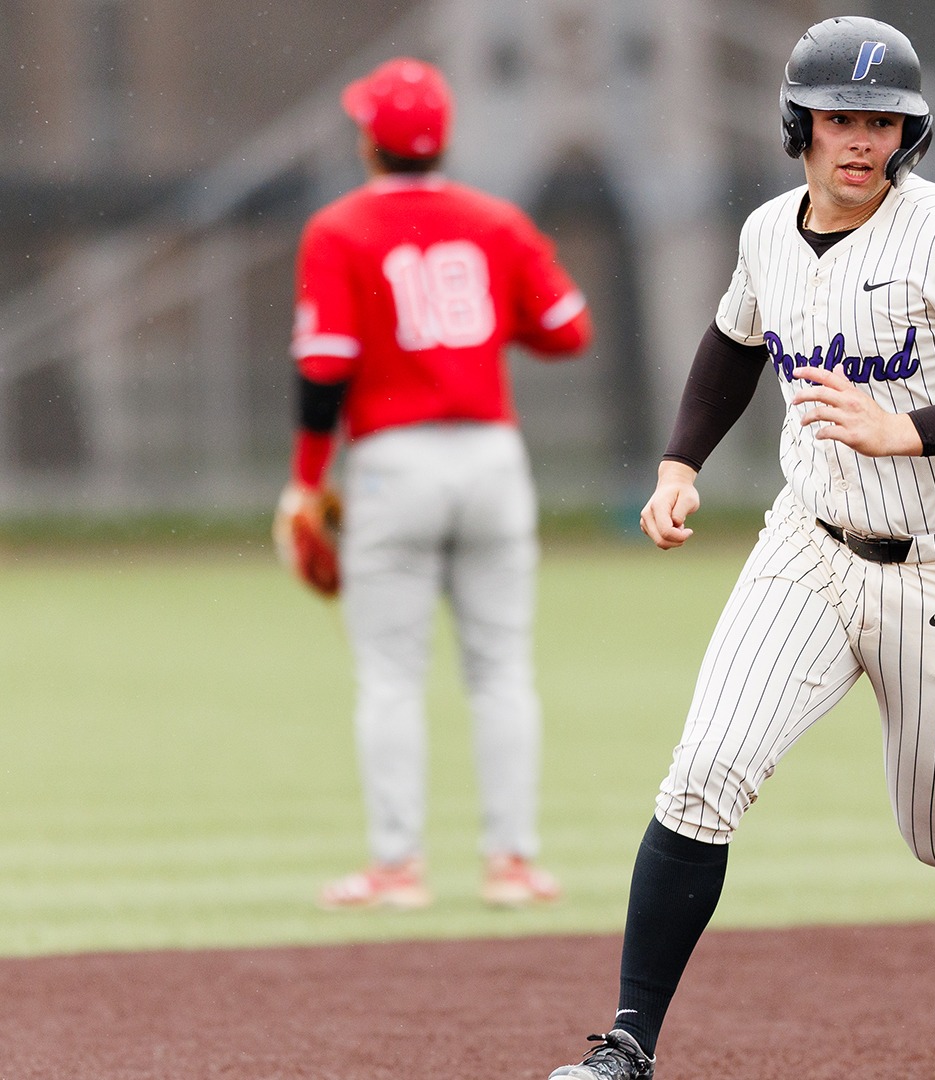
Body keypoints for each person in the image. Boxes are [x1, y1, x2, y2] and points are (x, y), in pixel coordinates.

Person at [549, 17, 935, 1080]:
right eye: (838, 119)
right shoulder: (771, 233)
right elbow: (734, 340)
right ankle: (626, 1046)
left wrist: (904, 428)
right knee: (703, 776)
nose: (859, 141)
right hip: (809, 548)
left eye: (881, 122)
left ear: (910, 134)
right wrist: (679, 464)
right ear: (799, 126)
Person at [274, 57, 592, 911]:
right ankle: (514, 865)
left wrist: (306, 481)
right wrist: (494, 315)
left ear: (370, 143)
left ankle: (397, 868)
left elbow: (325, 364)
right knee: (500, 671)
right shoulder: (495, 221)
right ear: (442, 137)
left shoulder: (338, 229)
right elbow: (569, 329)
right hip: (491, 457)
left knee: (389, 676)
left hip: (394, 464)